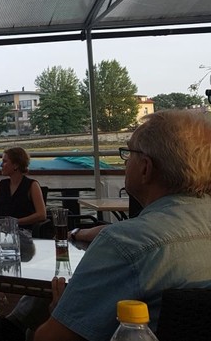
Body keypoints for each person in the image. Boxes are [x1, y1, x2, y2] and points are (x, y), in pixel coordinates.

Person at [34, 110, 211, 341]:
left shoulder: (125, 243)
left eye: (129, 154)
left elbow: (52, 338)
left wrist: (58, 310)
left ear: (145, 168)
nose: (126, 163)